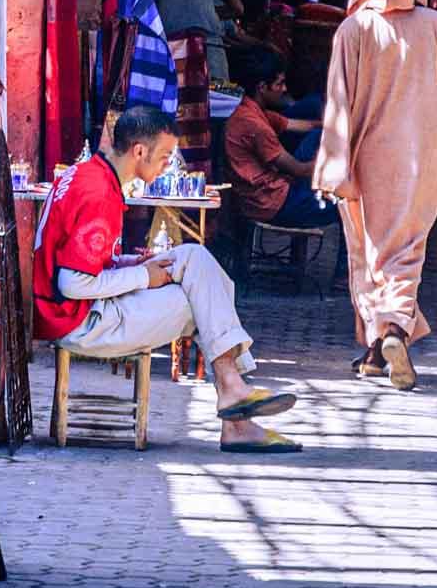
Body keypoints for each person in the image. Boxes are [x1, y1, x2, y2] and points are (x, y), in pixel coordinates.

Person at [32, 105, 300, 453]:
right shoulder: (97, 193)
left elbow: (86, 260)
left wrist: (133, 262)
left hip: (85, 308)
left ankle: (234, 395)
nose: (166, 165)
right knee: (200, 301)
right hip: (80, 322)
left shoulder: (90, 174)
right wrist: (143, 276)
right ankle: (235, 408)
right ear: (139, 151)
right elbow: (73, 283)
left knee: (194, 258)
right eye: (164, 156)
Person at [313, 0, 437, 391]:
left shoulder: (351, 30)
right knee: (405, 254)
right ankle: (395, 332)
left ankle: (373, 350)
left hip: (364, 164)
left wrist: (331, 169)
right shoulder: (435, 27)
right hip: (419, 160)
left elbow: (337, 106)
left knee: (365, 253)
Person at [225, 51, 336, 231]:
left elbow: (303, 125)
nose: (284, 89)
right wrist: (330, 160)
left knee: (317, 132)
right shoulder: (254, 125)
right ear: (262, 87)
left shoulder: (250, 110)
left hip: (272, 194)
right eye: (279, 84)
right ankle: (350, 260)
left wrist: (331, 126)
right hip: (273, 204)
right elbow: (299, 170)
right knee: (349, 203)